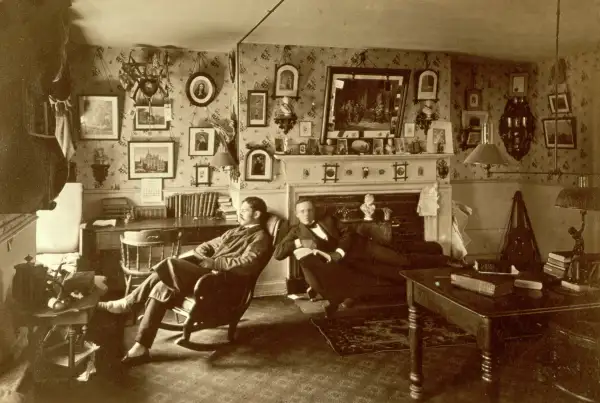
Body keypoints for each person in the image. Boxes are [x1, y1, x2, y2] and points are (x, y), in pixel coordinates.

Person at [98, 197, 272, 365]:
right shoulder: (236, 230)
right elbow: (211, 243)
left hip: (221, 283)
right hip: (207, 275)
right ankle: (140, 347)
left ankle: (128, 303)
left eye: (244, 210)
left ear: (256, 214)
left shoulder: (260, 238)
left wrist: (214, 262)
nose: (239, 213)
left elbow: (247, 263)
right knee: (161, 286)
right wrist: (203, 251)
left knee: (170, 263)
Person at [274, 199, 463, 317]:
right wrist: (299, 244)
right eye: (302, 211)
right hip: (354, 262)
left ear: (314, 211)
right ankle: (430, 282)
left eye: (309, 210)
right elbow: (279, 254)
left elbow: (347, 233)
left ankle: (443, 260)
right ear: (297, 214)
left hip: (363, 247)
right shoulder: (296, 232)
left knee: (402, 260)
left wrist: (339, 251)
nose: (307, 214)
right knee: (394, 272)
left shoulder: (328, 219)